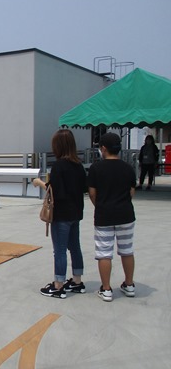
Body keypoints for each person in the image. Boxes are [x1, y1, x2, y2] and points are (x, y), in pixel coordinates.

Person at [32, 129, 87, 299]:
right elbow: (84, 188)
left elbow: (54, 191)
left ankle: (58, 285)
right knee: (74, 247)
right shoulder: (79, 165)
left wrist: (39, 182)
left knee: (60, 250)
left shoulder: (58, 166)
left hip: (61, 215)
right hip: (76, 213)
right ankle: (77, 281)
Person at [87, 132, 137, 302]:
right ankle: (129, 284)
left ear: (103, 149)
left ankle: (106, 289)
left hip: (104, 215)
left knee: (104, 253)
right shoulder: (128, 167)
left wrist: (101, 206)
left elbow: (92, 194)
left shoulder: (96, 168)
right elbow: (131, 191)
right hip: (126, 214)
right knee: (127, 250)